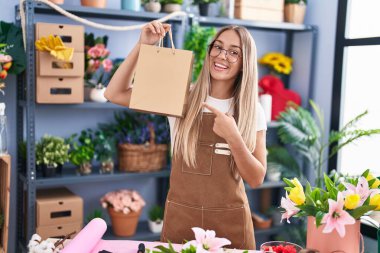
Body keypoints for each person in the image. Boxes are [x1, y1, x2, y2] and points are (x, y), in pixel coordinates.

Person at [105, 20, 267, 250]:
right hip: (181, 220)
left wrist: (234, 138)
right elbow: (114, 93)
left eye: (234, 53)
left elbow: (256, 178)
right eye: (218, 47)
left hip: (231, 223)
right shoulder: (181, 96)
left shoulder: (252, 110)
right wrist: (143, 46)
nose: (222, 56)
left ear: (244, 64)